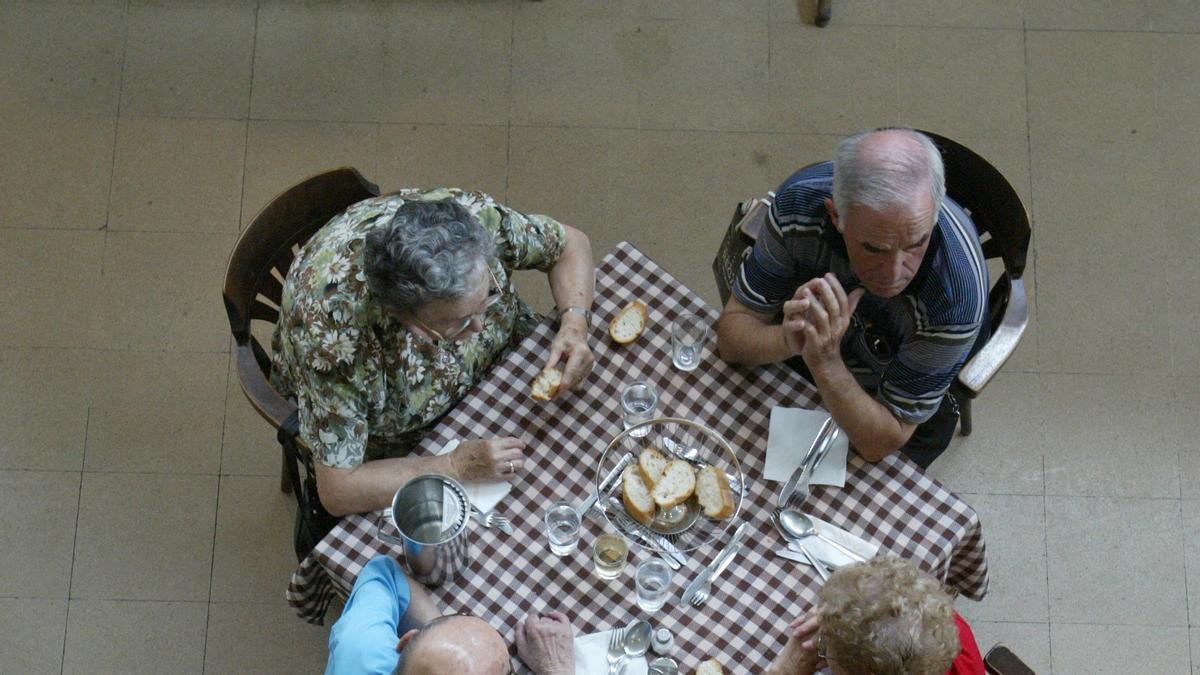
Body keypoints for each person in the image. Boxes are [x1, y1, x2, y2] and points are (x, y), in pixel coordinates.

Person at [272, 189, 595, 516]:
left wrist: (574, 322)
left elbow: (570, 245)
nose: (480, 328)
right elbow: (338, 489)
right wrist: (456, 465)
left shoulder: (472, 223)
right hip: (409, 439)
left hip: (499, 371)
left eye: (488, 299)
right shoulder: (335, 338)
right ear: (402, 315)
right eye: (459, 322)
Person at [715, 128, 987, 467]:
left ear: (933, 217)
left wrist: (826, 361)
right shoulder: (798, 204)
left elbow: (881, 441)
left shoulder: (955, 297)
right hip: (819, 345)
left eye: (916, 243)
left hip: (897, 398)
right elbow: (730, 338)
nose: (893, 274)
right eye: (874, 248)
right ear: (835, 216)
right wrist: (789, 338)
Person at [325, 555, 575, 674]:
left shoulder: (359, 650)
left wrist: (436, 634)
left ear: (408, 641)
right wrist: (555, 669)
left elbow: (384, 576)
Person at [766, 555, 984, 675]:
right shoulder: (936, 622)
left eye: (824, 648)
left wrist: (784, 670)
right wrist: (840, 613)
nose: (820, 642)